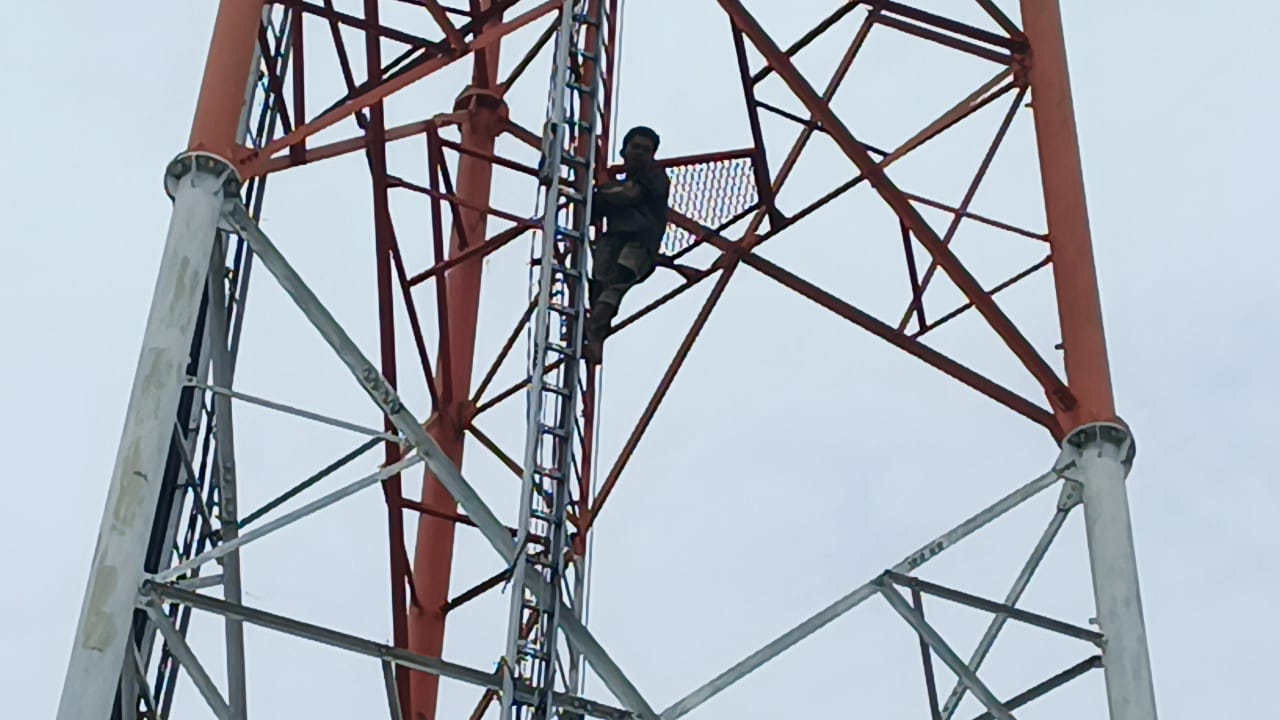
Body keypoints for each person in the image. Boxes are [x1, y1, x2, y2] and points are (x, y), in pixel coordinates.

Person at [583, 126, 670, 364]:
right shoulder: (619, 186)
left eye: (646, 149)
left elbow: (629, 194)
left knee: (618, 281)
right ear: (624, 151)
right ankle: (594, 334)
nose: (640, 153)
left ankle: (593, 329)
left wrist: (597, 189)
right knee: (600, 285)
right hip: (615, 239)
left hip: (641, 242)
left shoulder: (655, 177)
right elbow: (595, 210)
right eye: (635, 147)